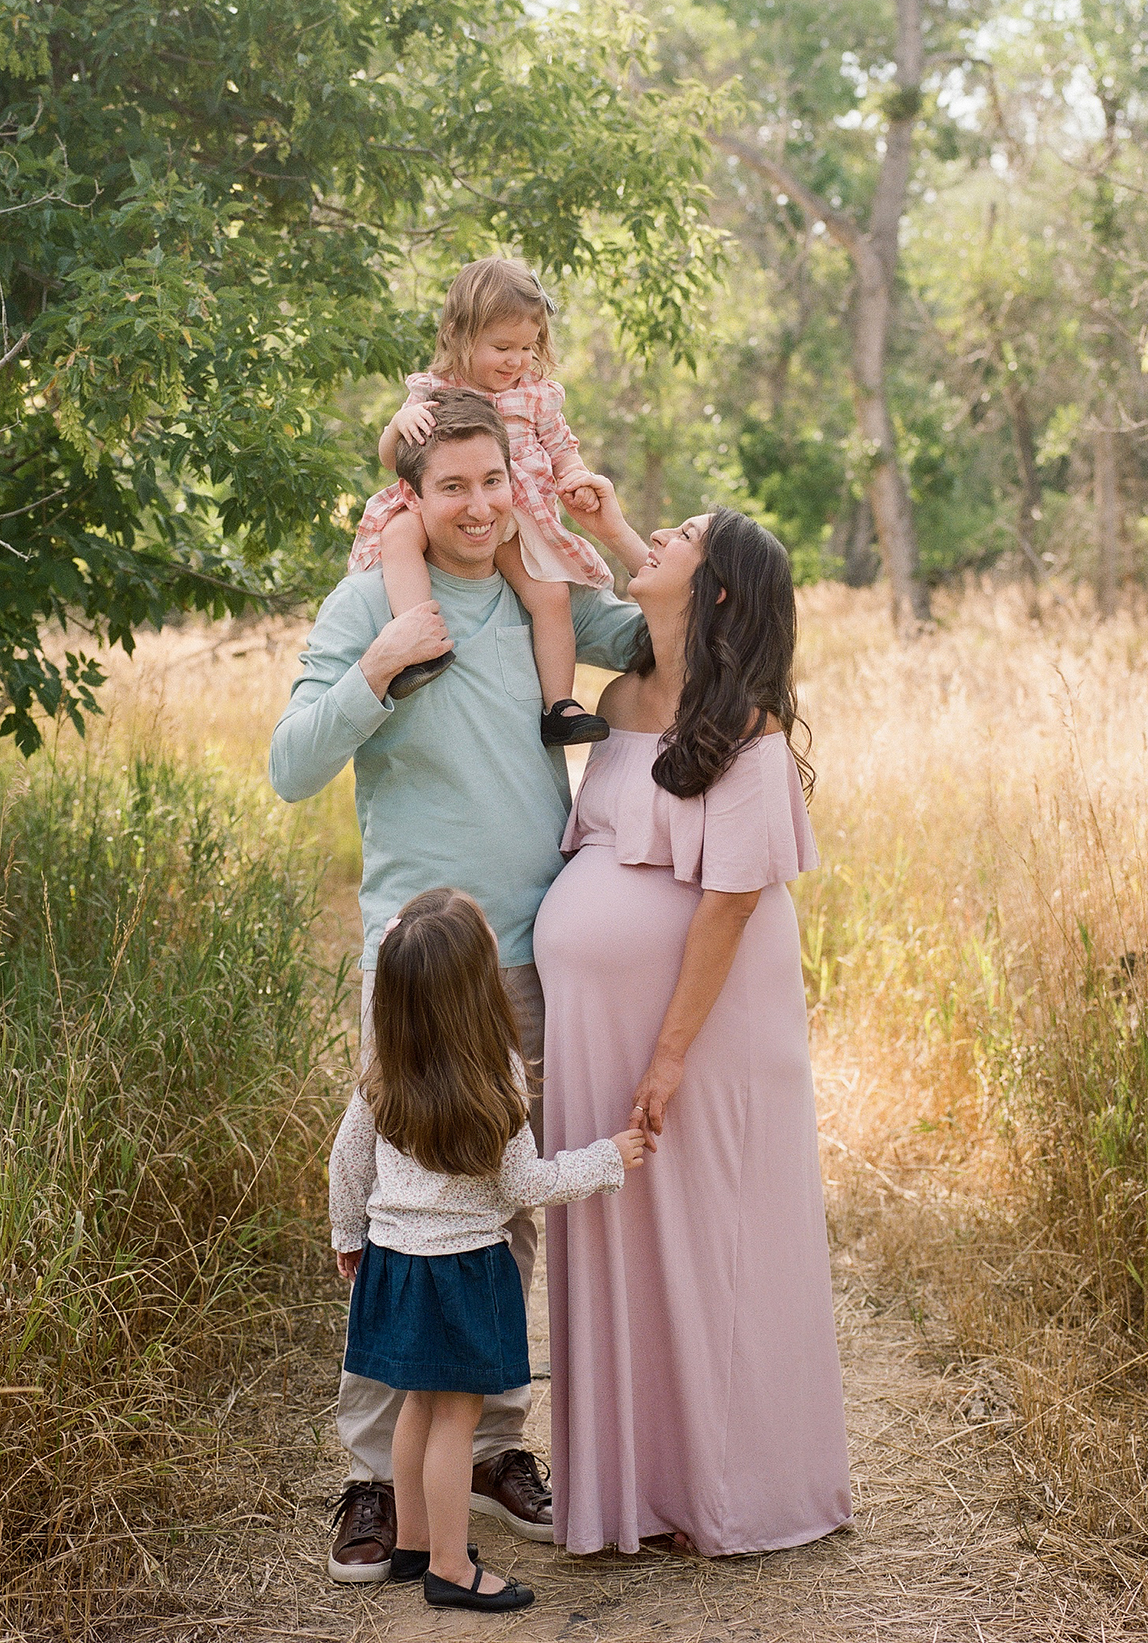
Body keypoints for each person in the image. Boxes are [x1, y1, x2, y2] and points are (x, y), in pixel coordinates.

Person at [267, 385, 644, 1581]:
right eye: (453, 488)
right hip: (418, 964)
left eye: (493, 482)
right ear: (412, 499)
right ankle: (377, 1477)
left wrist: (625, 538)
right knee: (400, 1214)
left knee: (505, 1209)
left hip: (531, 952)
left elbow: (667, 633)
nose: (478, 508)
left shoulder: (544, 584)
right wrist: (376, 669)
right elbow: (289, 768)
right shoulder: (374, 600)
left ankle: (491, 1445)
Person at [534, 506, 853, 1558]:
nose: (651, 542)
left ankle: (728, 1488)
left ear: (714, 591)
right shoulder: (625, 692)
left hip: (704, 1027)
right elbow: (659, 584)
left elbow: (729, 903)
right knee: (621, 1236)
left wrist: (668, 1057)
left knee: (713, 1240)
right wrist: (611, 522)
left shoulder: (744, 725)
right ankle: (639, 1488)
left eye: (679, 536)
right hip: (600, 1026)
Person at [329, 888, 648, 1612]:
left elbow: (344, 1161)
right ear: (479, 987)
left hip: (396, 1268)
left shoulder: (382, 1074)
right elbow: (525, 1183)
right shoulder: (494, 1076)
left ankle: (413, 1541)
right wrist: (606, 1160)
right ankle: (449, 1567)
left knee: (416, 1406)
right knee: (456, 1420)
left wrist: (349, 1236)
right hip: (463, 1274)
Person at [349, 256, 611, 747]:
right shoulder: (434, 390)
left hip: (514, 511)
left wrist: (574, 476)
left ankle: (559, 705)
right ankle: (418, 644)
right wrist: (396, 427)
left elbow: (562, 449)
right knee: (399, 533)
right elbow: (392, 457)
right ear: (460, 335)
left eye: (527, 348)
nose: (515, 361)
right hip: (445, 509)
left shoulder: (536, 396)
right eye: (501, 347)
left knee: (549, 596)